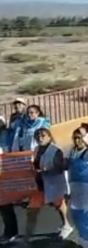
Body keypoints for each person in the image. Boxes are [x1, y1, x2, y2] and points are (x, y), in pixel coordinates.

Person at [25, 128, 73, 243]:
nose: (40, 138)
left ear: (49, 137)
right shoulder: (36, 149)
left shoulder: (56, 150)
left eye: (43, 136)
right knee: (32, 209)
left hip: (53, 184)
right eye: (38, 136)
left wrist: (47, 170)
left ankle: (67, 225)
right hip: (40, 185)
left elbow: (60, 167)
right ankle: (27, 235)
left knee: (60, 205)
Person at [0, 98, 27, 244]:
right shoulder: (10, 124)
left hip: (4, 168)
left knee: (4, 202)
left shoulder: (4, 137)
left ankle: (11, 231)